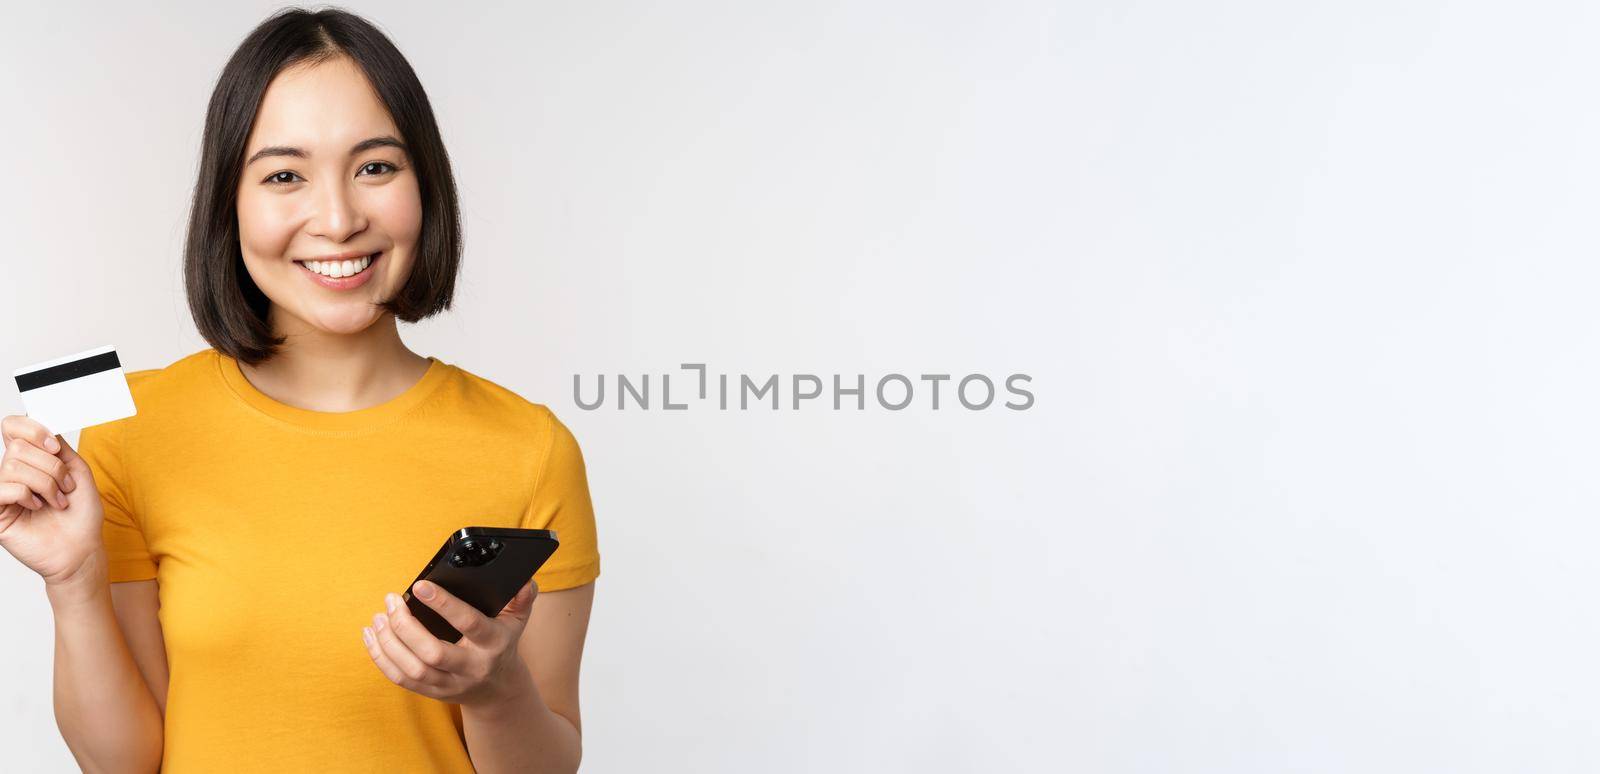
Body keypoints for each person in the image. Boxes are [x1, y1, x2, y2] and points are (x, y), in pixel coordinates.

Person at [0, 8, 598, 772]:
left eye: (376, 167)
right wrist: (74, 582)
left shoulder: (531, 450)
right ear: (230, 202)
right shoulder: (134, 433)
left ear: (426, 185)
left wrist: (495, 690)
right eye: (285, 175)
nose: (340, 218)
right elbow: (124, 765)